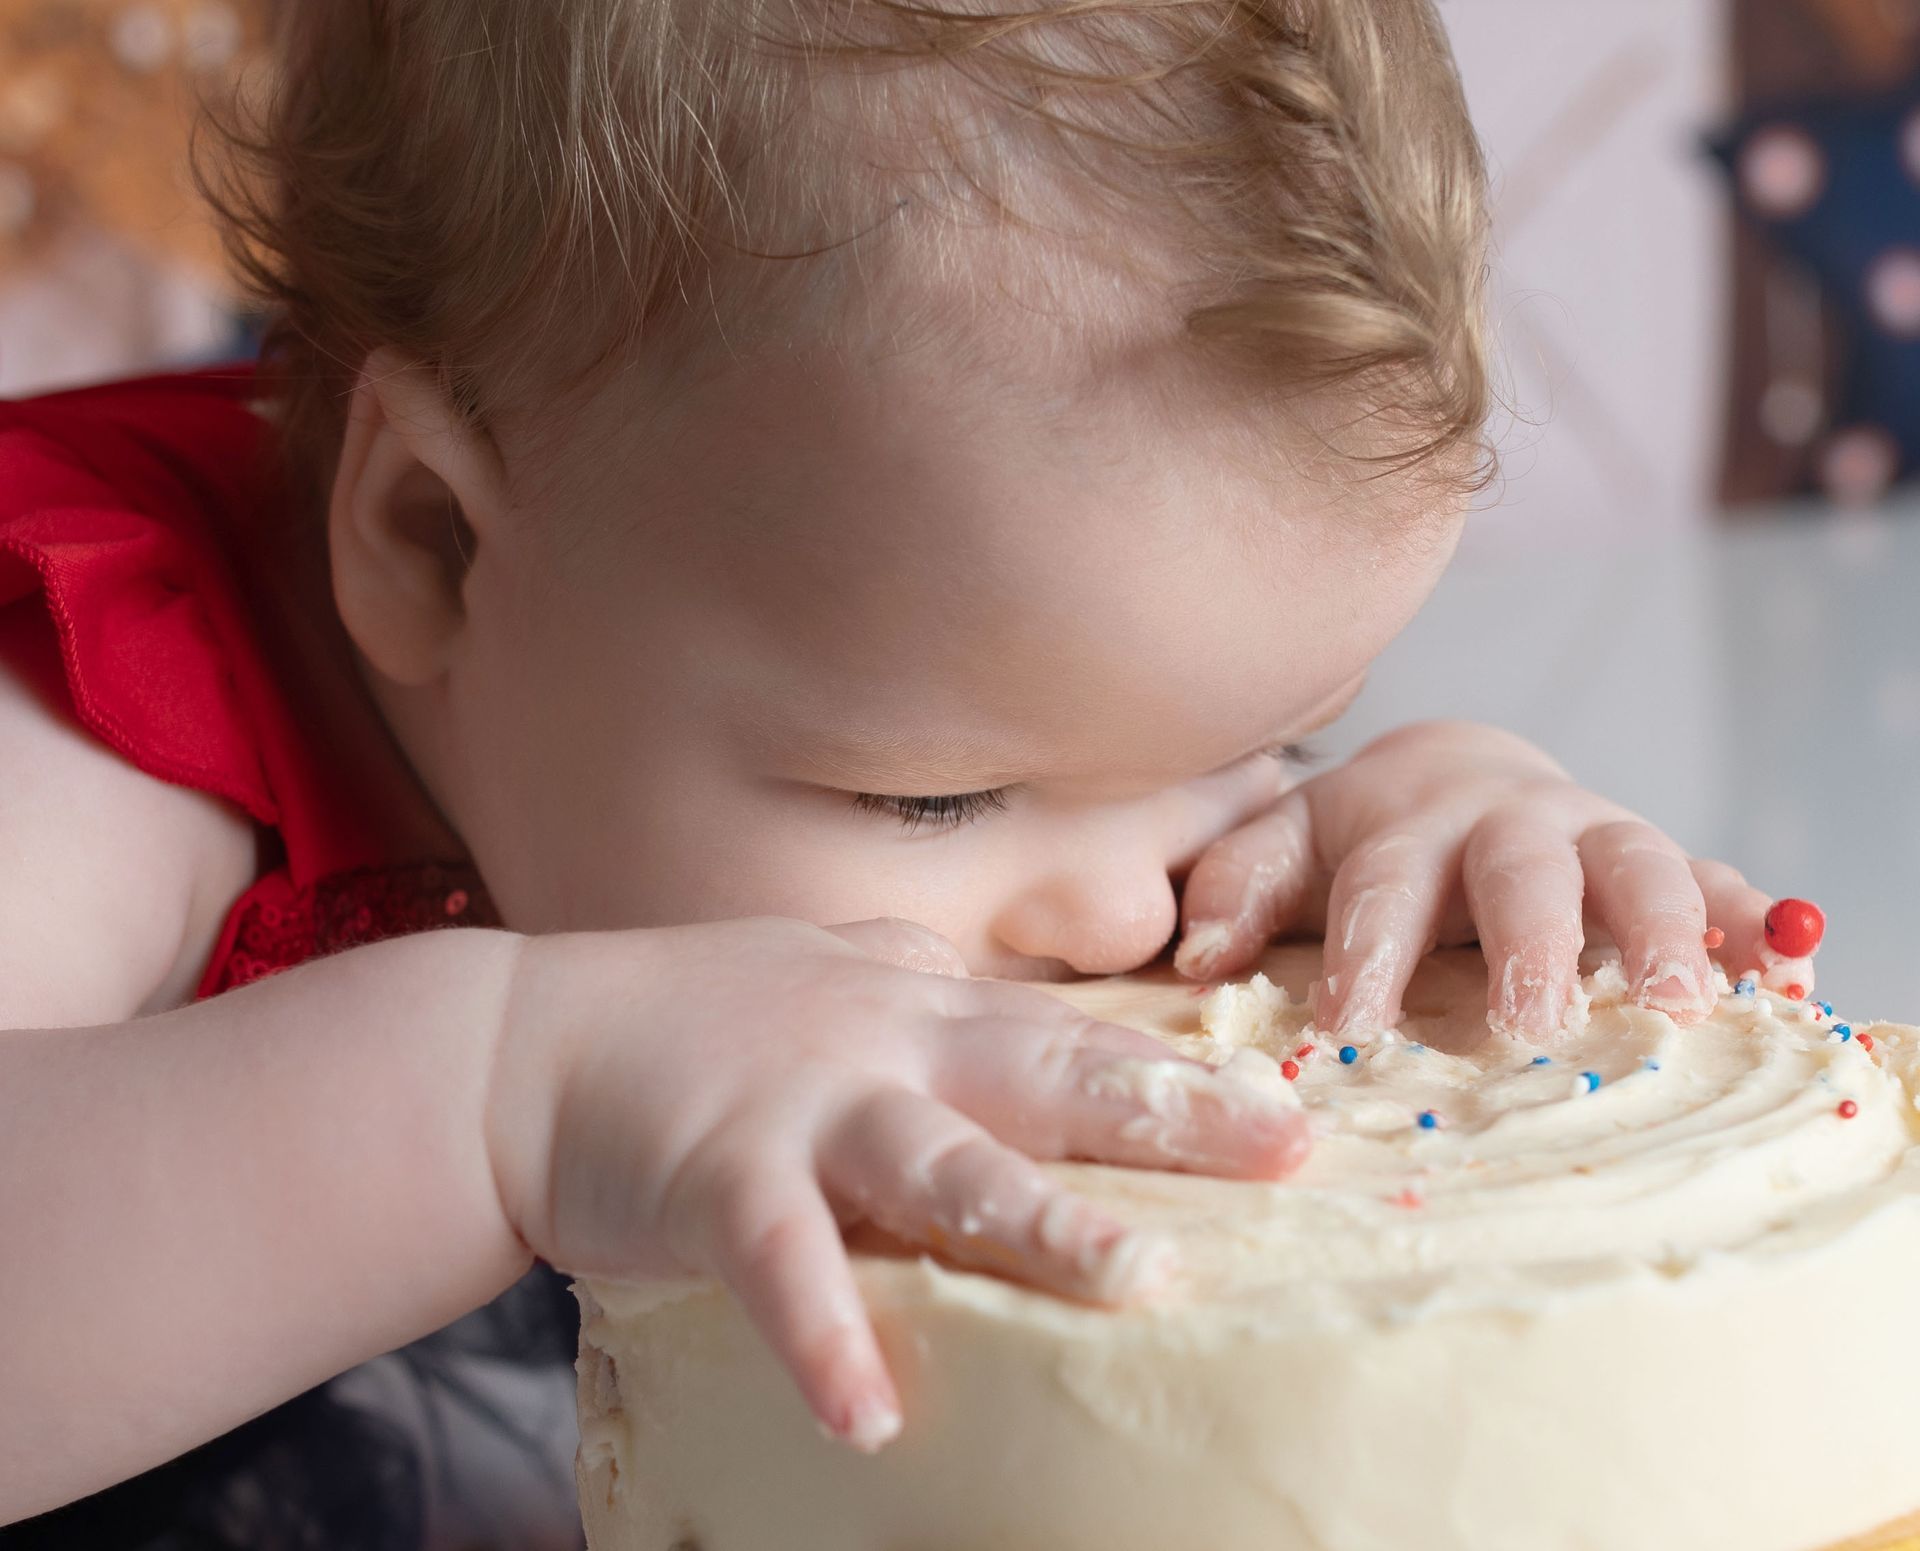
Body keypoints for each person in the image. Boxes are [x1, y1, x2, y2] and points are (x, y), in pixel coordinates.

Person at [0, 2, 1815, 1545]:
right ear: (431, 537)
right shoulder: (89, 740)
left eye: (1264, 739)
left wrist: (1403, 836)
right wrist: (506, 1093)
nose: (1128, 910)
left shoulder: (799, 672)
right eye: (937, 799)